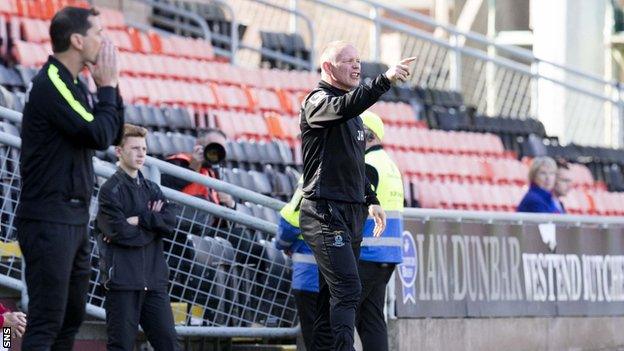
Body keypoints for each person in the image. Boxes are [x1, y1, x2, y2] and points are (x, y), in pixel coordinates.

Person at [16, 6, 124, 350]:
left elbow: (114, 132)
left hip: (73, 218)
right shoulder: (52, 82)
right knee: (48, 320)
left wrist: (112, 87)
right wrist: (107, 88)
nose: (104, 42)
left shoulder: (75, 83)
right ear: (77, 40)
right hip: (49, 218)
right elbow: (97, 133)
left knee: (71, 317)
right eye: (98, 34)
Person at [298, 40, 415, 351]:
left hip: (352, 215)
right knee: (349, 288)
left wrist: (371, 200)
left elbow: (354, 165)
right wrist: (384, 80)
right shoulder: (318, 101)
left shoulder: (353, 116)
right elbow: (344, 107)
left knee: (329, 298)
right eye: (347, 60)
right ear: (327, 67)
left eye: (358, 60)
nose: (356, 66)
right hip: (324, 213)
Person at [96, 124, 179, 351]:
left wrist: (140, 220)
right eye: (134, 148)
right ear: (119, 152)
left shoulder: (152, 188)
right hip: (123, 284)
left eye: (143, 148)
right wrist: (153, 227)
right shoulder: (110, 191)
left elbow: (170, 221)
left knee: (170, 345)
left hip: (154, 284)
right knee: (121, 346)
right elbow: (121, 233)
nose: (141, 153)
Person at [356, 111, 404, 351]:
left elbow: (359, 203)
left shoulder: (369, 164)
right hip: (387, 254)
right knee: (371, 318)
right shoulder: (390, 165)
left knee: (340, 313)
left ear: (368, 135)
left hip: (368, 252)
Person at [274, 176, 318, 351]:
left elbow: (292, 221)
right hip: (342, 276)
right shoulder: (353, 168)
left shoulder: (314, 170)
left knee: (315, 338)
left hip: (310, 276)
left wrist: (282, 244)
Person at [161, 128, 235, 208]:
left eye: (220, 149)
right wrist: (192, 168)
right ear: (198, 145)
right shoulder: (179, 161)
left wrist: (230, 203)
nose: (215, 153)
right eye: (212, 147)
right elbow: (165, 186)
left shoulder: (216, 173)